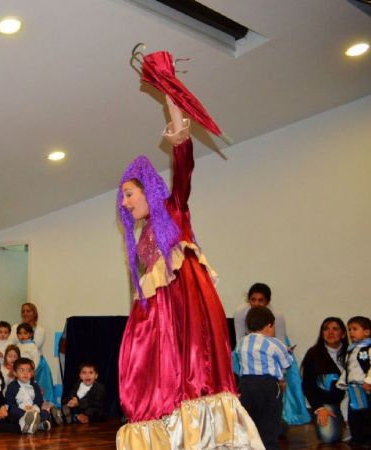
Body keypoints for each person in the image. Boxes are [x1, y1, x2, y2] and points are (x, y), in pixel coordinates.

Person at [115, 95, 261, 449]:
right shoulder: (145, 232)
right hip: (159, 321)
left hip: (181, 312)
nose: (125, 202)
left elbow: (183, 167)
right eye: (123, 197)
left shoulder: (173, 209)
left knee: (191, 372)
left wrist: (175, 113)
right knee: (146, 374)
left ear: (147, 189)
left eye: (130, 193)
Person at [235, 306, 293, 450]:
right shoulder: (274, 343)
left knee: (250, 421)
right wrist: (288, 352)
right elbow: (287, 363)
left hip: (246, 385)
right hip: (268, 386)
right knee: (270, 422)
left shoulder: (242, 342)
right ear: (269, 325)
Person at [301, 317, 348, 444]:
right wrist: (319, 408)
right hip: (327, 403)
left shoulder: (353, 352)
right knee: (328, 437)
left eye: (335, 329)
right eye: (326, 329)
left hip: (353, 401)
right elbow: (307, 386)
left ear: (343, 334)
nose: (330, 332)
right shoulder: (313, 354)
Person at [337, 315, 371, 445]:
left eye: (354, 329)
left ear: (367, 332)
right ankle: (357, 438)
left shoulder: (368, 348)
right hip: (354, 388)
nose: (351, 332)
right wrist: (343, 381)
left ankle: (368, 439)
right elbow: (348, 368)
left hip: (366, 388)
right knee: (354, 414)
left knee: (367, 415)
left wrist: (369, 381)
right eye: (349, 329)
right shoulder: (351, 349)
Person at [3, 357, 52, 433]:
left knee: (45, 413)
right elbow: (9, 402)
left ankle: (35, 423)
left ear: (32, 373)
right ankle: (36, 424)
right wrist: (22, 409)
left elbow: (39, 400)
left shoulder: (35, 386)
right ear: (15, 373)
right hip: (20, 410)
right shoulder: (12, 386)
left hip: (33, 410)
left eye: (28, 371)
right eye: (22, 370)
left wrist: (34, 407)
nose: (25, 373)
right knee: (12, 413)